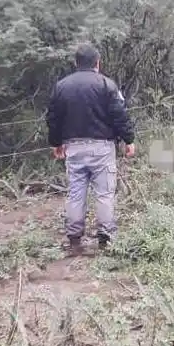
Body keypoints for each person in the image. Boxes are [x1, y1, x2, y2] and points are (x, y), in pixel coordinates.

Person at [47, 43, 135, 255]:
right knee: (104, 193)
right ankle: (106, 238)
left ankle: (75, 239)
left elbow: (53, 118)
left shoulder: (62, 86)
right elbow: (119, 115)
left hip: (74, 147)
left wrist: (56, 143)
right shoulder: (107, 84)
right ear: (97, 63)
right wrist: (128, 140)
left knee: (76, 193)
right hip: (102, 148)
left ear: (76, 63)